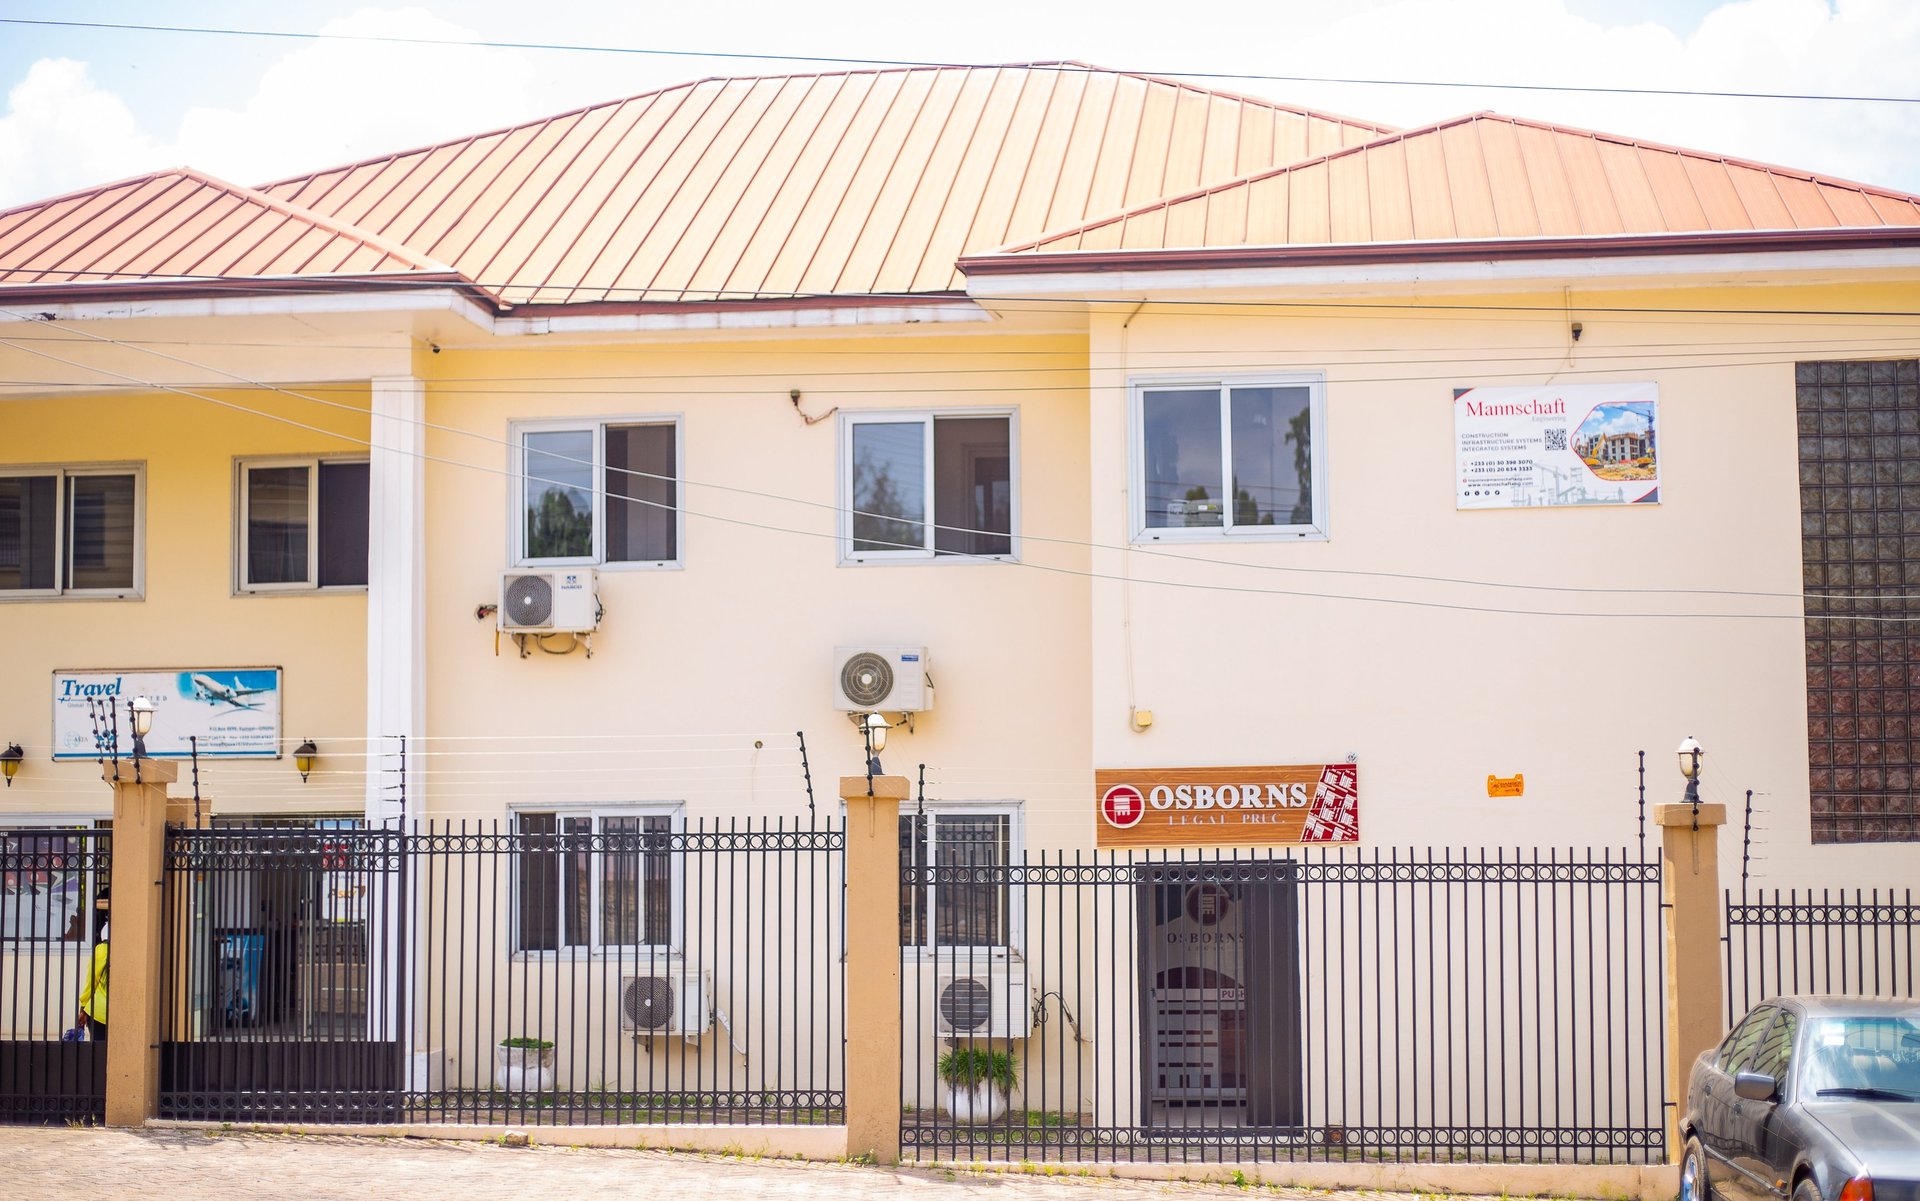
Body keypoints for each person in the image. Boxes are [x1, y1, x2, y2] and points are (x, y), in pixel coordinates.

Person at [77, 921, 107, 1039]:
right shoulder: (129, 952)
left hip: (98, 1013)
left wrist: (84, 1007)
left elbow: (91, 982)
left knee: (100, 1052)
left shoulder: (100, 951)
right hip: (124, 1012)